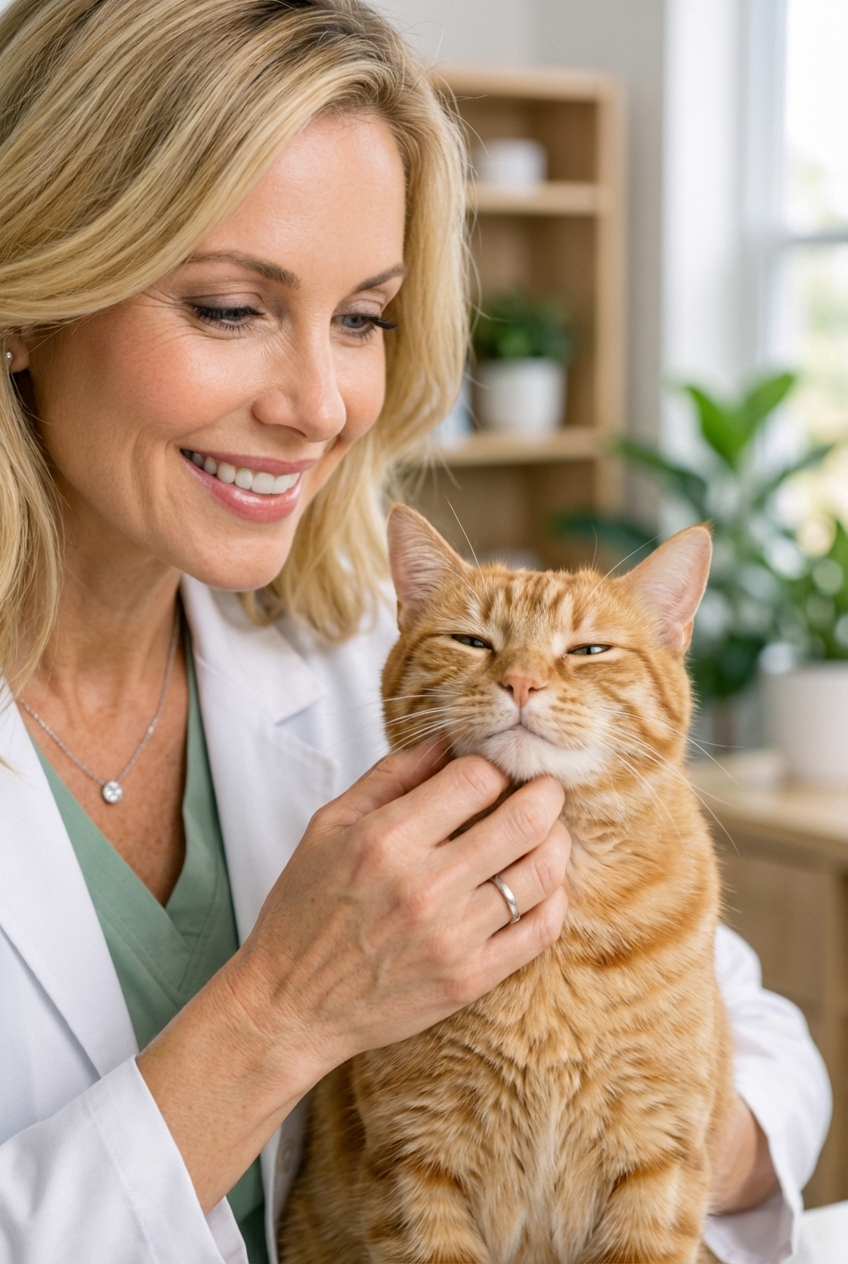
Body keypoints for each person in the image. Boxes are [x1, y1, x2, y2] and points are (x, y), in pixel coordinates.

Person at [0, 1, 830, 1261]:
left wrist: (636, 1120)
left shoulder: (366, 658)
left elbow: (749, 1038)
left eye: (362, 318)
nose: (322, 406)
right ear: (24, 295)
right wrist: (283, 1010)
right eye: (230, 307)